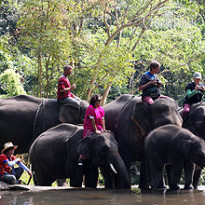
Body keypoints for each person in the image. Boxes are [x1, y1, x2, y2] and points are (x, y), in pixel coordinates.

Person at [78, 94, 106, 166]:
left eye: (100, 101)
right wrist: (95, 130)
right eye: (98, 101)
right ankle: (81, 157)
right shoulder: (90, 108)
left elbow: (103, 120)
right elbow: (92, 120)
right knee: (89, 138)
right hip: (89, 127)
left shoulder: (101, 109)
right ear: (94, 101)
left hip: (99, 127)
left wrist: (104, 129)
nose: (99, 102)